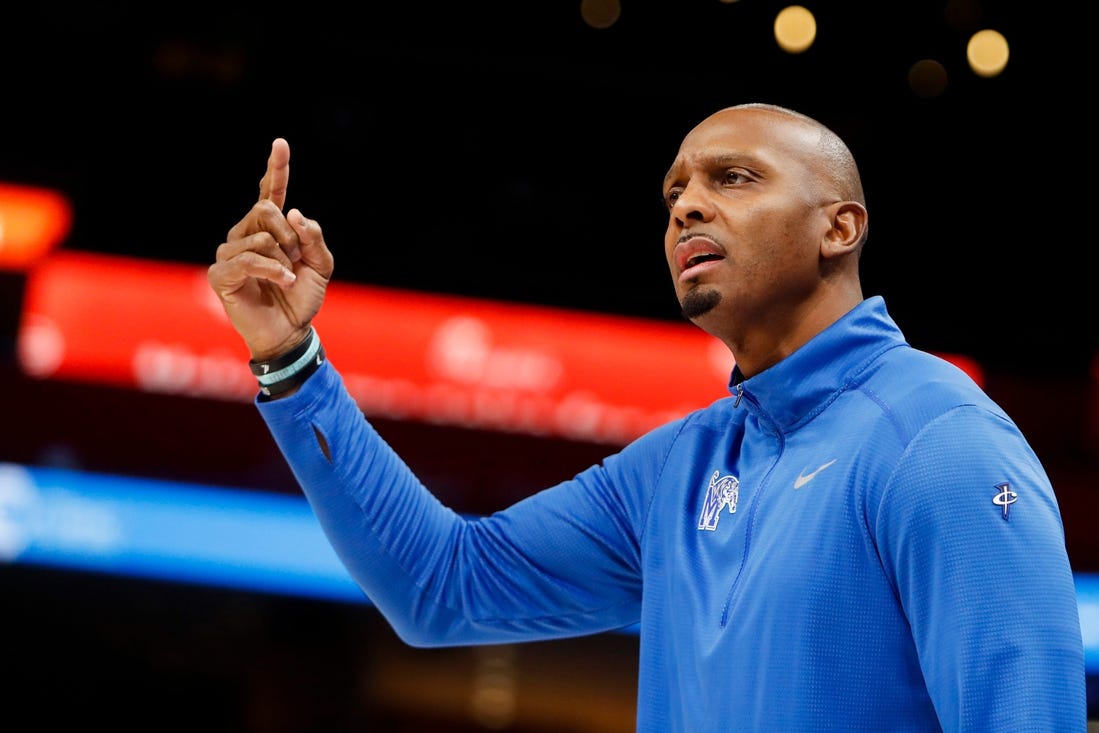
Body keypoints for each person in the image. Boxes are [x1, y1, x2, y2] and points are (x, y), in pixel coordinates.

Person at [208, 103, 1086, 730]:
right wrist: (291, 361)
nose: (686, 205)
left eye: (732, 178)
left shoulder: (937, 439)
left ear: (840, 227)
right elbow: (443, 586)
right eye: (674, 190)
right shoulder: (682, 467)